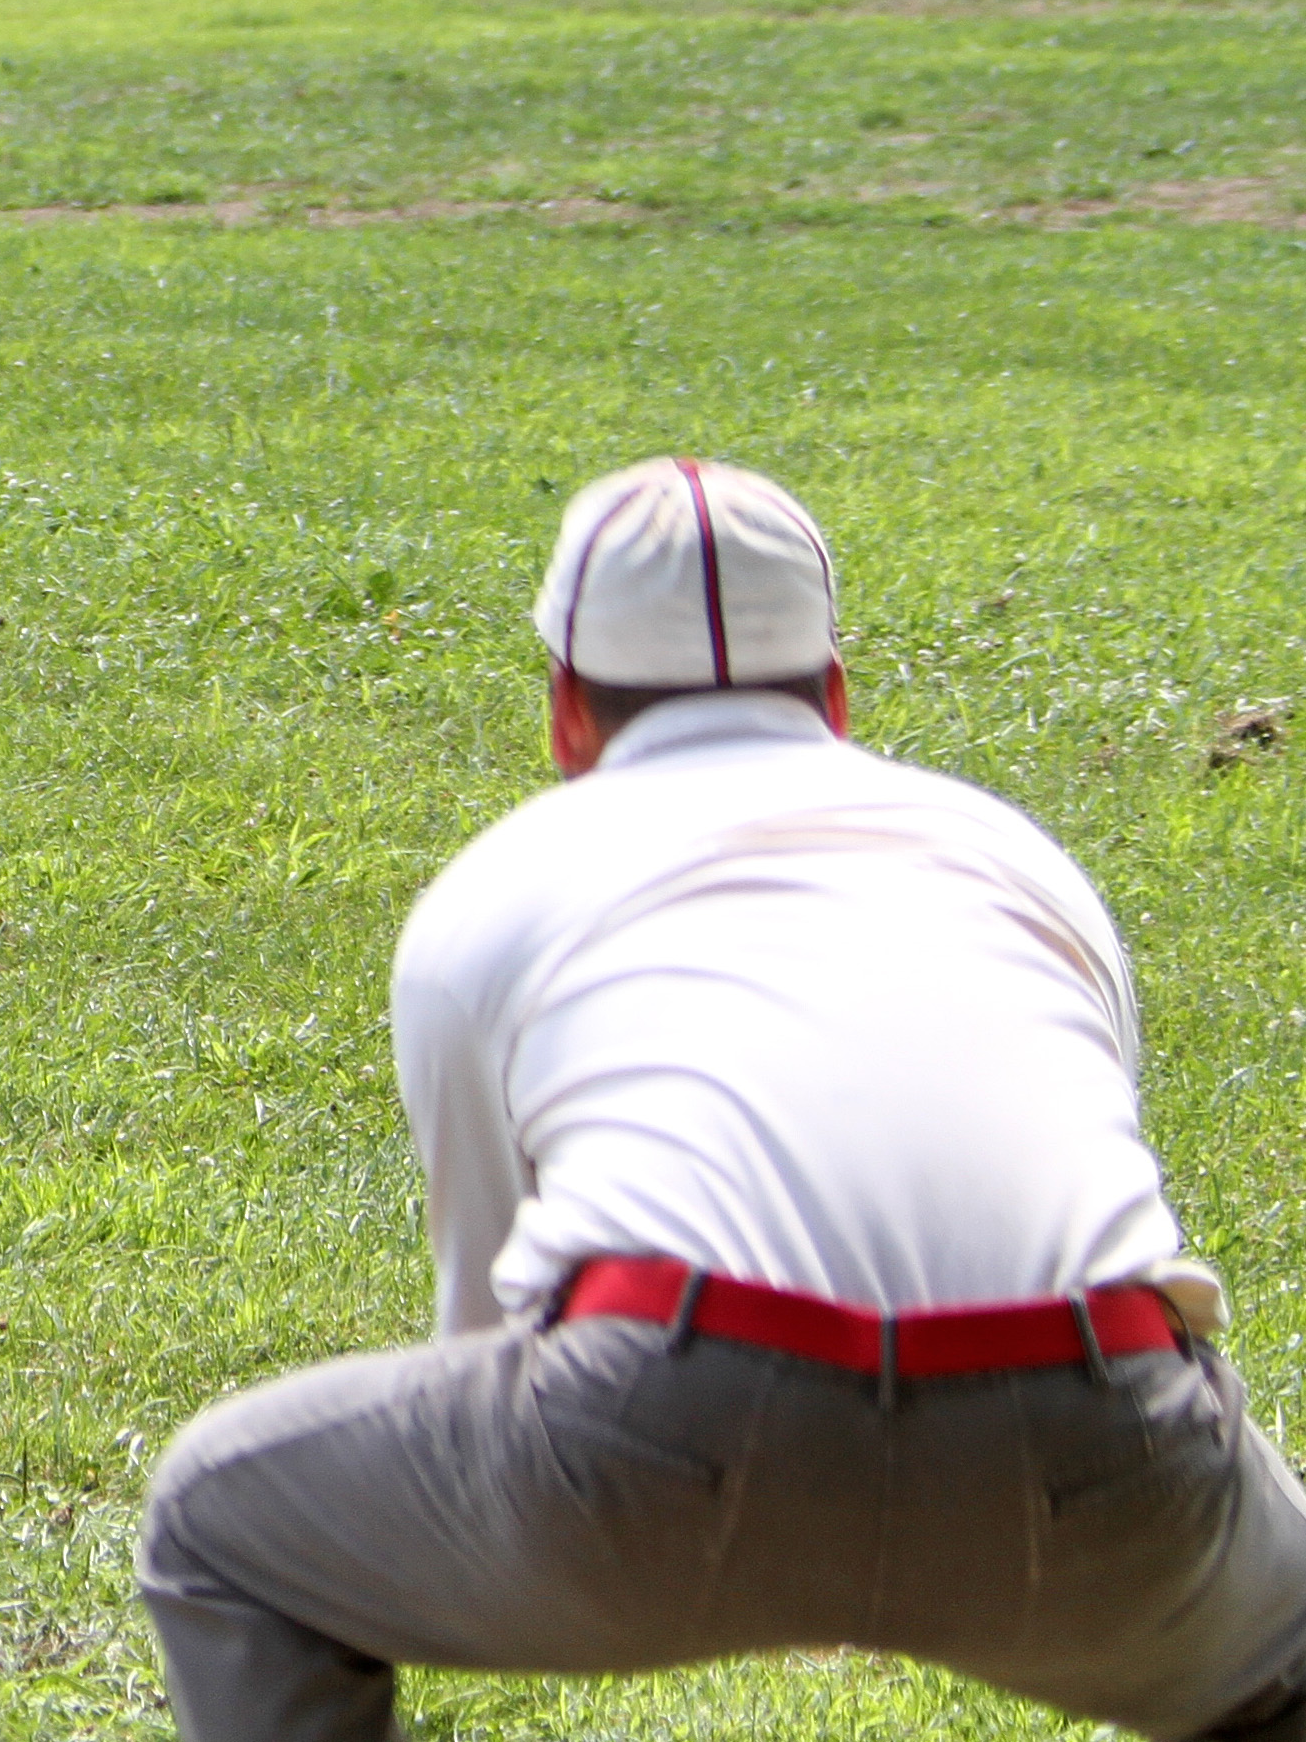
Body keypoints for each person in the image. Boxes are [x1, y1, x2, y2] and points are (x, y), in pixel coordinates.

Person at [139, 457, 1306, 1742]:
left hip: (660, 1438)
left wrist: (759, 1515)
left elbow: (482, 1344)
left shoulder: (494, 891)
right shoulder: (1019, 862)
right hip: (1102, 1441)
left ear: (564, 712)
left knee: (217, 1523)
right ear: (835, 696)